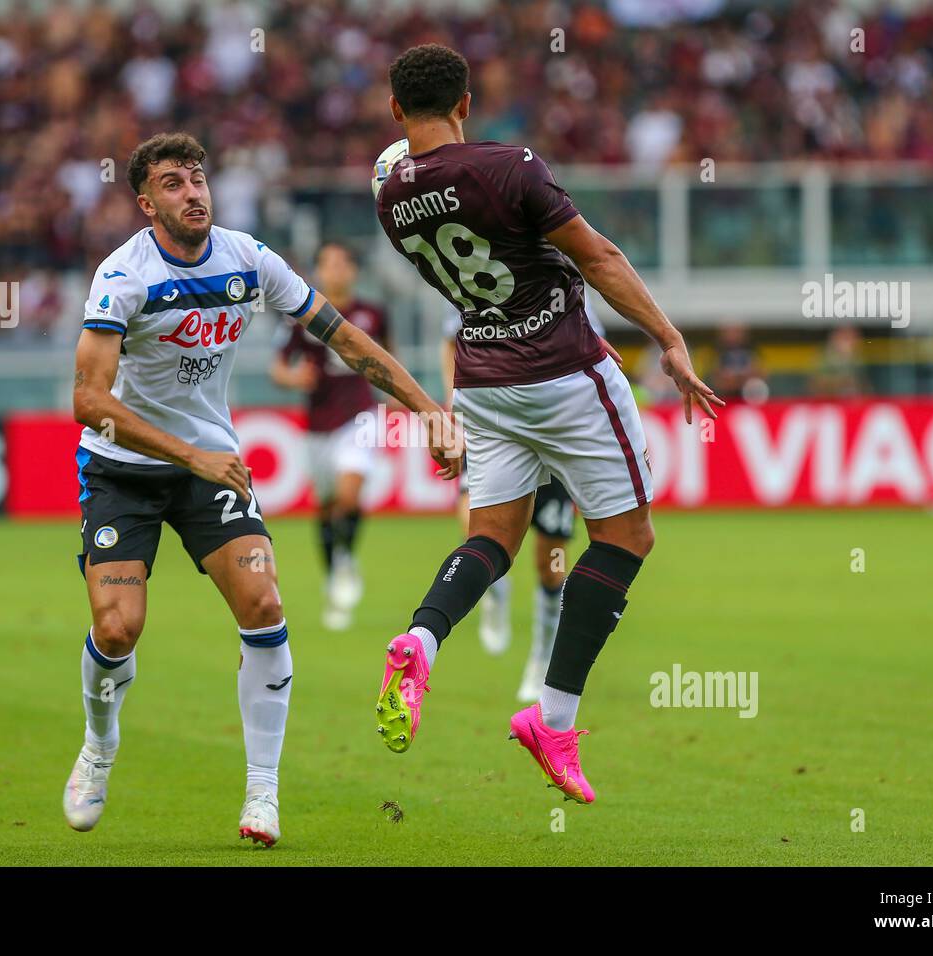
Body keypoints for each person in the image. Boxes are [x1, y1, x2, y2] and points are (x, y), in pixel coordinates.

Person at [66, 132, 456, 846]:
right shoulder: (123, 276)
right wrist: (189, 453)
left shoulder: (248, 259)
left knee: (264, 599)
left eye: (199, 177)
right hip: (123, 467)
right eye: (174, 184)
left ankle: (263, 795)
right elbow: (89, 401)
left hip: (210, 468)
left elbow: (344, 340)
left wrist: (427, 410)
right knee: (117, 627)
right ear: (146, 202)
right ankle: (100, 744)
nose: (194, 192)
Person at [372, 45, 722, 803]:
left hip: (484, 387)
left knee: (490, 537)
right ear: (466, 101)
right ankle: (553, 718)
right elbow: (596, 257)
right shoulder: (510, 166)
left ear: (396, 111)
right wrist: (667, 337)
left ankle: (422, 637)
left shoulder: (390, 198)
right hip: (564, 373)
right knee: (626, 537)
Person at [442, 298, 609, 702]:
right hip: (495, 426)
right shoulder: (483, 282)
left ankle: (541, 656)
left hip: (552, 439)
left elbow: (599, 356)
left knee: (551, 565)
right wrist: (453, 395)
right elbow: (451, 340)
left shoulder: (568, 297)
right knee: (475, 525)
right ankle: (493, 586)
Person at [270, 242, 390, 630]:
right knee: (325, 507)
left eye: (342, 264)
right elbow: (278, 368)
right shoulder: (301, 317)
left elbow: (389, 359)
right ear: (318, 272)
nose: (335, 271)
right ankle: (335, 572)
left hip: (360, 415)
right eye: (327, 264)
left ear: (353, 271)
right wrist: (293, 378)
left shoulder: (372, 314)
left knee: (349, 493)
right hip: (318, 421)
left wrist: (399, 399)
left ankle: (345, 563)